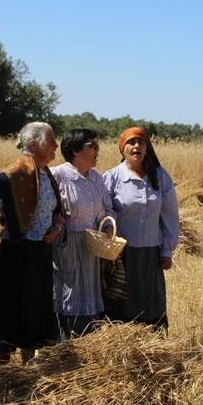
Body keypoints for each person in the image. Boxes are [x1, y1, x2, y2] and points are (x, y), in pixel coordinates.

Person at [0, 122, 64, 362]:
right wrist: (11, 215)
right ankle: (4, 369)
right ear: (32, 144)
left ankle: (27, 367)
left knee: (34, 308)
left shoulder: (46, 173)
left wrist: (57, 226)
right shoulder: (18, 172)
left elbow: (57, 210)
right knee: (9, 307)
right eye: (50, 140)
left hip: (40, 251)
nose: (55, 145)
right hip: (17, 251)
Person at [103, 127, 179, 329]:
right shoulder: (112, 178)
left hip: (151, 255)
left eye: (141, 142)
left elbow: (170, 216)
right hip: (122, 255)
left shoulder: (160, 177)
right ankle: (124, 348)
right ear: (122, 148)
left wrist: (166, 251)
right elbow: (104, 212)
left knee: (151, 302)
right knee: (122, 305)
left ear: (147, 148)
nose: (136, 146)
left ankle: (153, 348)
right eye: (131, 142)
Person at [50, 128, 114, 340]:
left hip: (91, 247)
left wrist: (108, 227)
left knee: (89, 293)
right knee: (68, 293)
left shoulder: (96, 178)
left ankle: (88, 343)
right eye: (92, 146)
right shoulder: (57, 175)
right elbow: (45, 210)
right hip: (67, 246)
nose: (97, 150)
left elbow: (109, 207)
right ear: (75, 150)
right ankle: (64, 346)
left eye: (97, 146)